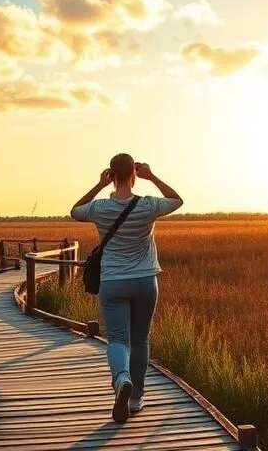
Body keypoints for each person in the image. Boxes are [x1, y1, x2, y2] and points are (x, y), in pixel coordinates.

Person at [70, 154, 183, 423]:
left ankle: (121, 379)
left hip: (112, 282)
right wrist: (152, 177)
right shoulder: (147, 205)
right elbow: (177, 200)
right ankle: (136, 399)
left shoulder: (99, 208)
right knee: (140, 339)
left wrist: (99, 185)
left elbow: (75, 210)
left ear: (111, 175)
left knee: (118, 339)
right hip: (145, 281)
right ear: (134, 173)